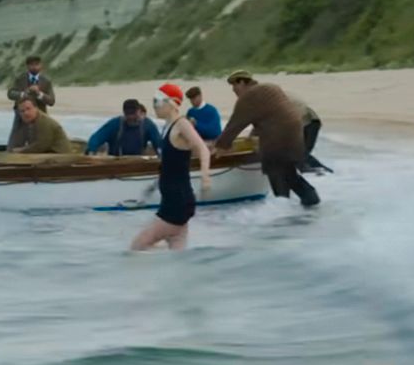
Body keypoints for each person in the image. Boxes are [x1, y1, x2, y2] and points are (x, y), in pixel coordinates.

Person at [216, 71, 319, 207]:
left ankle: (284, 209)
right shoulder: (270, 88)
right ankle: (309, 202)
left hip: (278, 138)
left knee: (276, 171)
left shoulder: (249, 97)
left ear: (241, 82)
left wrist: (220, 147)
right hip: (296, 134)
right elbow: (269, 117)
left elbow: (234, 125)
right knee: (288, 172)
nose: (233, 90)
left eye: (234, 86)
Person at [131, 85, 212, 251]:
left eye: (158, 101)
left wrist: (205, 177)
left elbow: (203, 149)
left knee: (137, 247)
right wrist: (153, 186)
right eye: (153, 101)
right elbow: (169, 165)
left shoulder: (182, 124)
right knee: (176, 256)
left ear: (173, 103)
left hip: (177, 202)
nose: (154, 105)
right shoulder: (166, 127)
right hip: (174, 200)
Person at [86, 99, 162, 157]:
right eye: (129, 115)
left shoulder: (148, 124)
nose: (131, 117)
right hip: (116, 162)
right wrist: (91, 151)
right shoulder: (114, 124)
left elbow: (158, 143)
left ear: (139, 111)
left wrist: (163, 156)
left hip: (138, 162)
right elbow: (96, 138)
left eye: (133, 115)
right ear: (124, 113)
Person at [6, 55, 55, 143]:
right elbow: (10, 93)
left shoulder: (46, 81)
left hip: (40, 116)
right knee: (16, 140)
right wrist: (23, 94)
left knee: (40, 140)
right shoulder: (20, 79)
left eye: (37, 64)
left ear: (41, 65)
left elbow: (51, 101)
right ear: (27, 66)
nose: (34, 67)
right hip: (21, 116)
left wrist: (39, 93)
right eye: (32, 65)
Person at [8, 97, 74, 154]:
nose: (26, 113)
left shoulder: (44, 122)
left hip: (60, 156)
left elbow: (40, 146)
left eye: (28, 109)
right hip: (49, 153)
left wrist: (20, 150)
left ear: (36, 108)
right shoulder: (32, 121)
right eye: (22, 111)